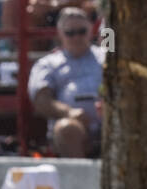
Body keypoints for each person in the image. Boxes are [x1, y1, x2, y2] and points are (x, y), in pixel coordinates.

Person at [28, 6, 103, 157]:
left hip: (109, 123)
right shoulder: (48, 63)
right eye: (70, 33)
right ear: (60, 34)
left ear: (90, 30)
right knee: (67, 128)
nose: (76, 37)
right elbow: (41, 100)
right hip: (74, 129)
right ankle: (82, 179)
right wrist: (69, 112)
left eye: (81, 31)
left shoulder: (106, 58)